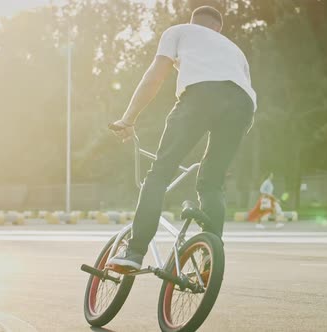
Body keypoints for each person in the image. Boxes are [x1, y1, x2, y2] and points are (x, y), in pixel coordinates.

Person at [106, 6, 256, 272]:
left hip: (200, 97)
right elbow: (243, 94)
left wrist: (128, 120)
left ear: (193, 22)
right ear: (217, 28)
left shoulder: (179, 32)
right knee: (211, 183)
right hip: (243, 108)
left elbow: (155, 76)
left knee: (159, 174)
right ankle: (211, 255)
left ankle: (135, 251)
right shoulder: (234, 49)